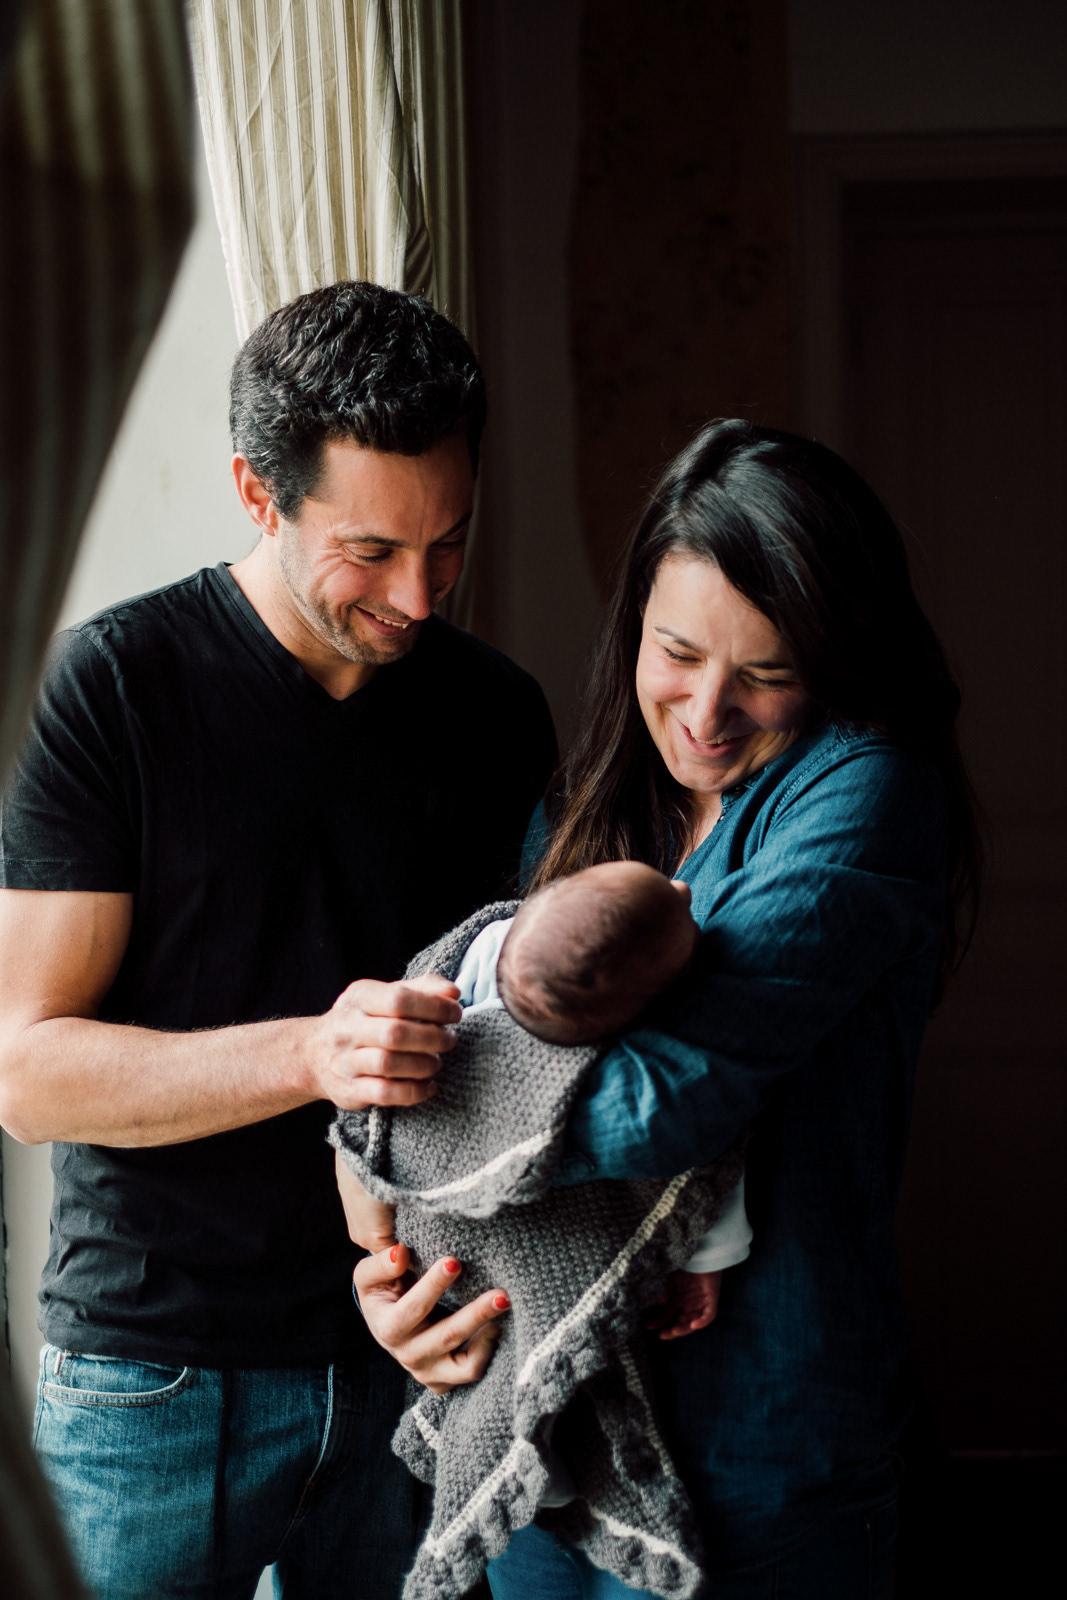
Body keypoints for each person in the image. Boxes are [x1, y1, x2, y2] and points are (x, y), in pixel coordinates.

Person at [352, 419, 980, 1600]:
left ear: (837, 661)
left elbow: (654, 1104)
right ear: (632, 622)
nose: (704, 712)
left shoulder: (861, 786)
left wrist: (410, 1131)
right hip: (553, 1429)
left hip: (763, 1446)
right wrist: (410, 1275)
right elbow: (492, 1061)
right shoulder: (589, 809)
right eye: (675, 652)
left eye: (768, 673)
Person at [0, 281, 554, 1600]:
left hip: (420, 1359)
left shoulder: (496, 713)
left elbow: (533, 1049)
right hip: (154, 1377)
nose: (419, 597)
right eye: (369, 551)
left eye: (449, 542)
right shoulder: (112, 687)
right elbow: (31, 1076)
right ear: (257, 494)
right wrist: (318, 1050)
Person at [333, 860, 751, 1600]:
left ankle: (532, 1471)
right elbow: (705, 1174)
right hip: (498, 1244)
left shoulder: (486, 950)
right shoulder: (646, 1039)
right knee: (543, 1338)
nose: (680, 888)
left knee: (370, 1157)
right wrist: (705, 1261)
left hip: (430, 1245)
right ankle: (544, 1470)